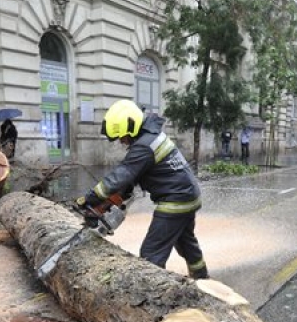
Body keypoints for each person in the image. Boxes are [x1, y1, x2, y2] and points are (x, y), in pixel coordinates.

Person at [79, 99, 209, 279]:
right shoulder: (151, 138)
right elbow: (133, 177)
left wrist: (92, 197)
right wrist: (114, 198)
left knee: (151, 254)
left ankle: (152, 292)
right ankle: (202, 279)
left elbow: (122, 175)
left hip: (176, 200)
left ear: (130, 128)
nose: (122, 142)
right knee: (186, 243)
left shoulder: (144, 146)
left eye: (122, 137)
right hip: (188, 195)